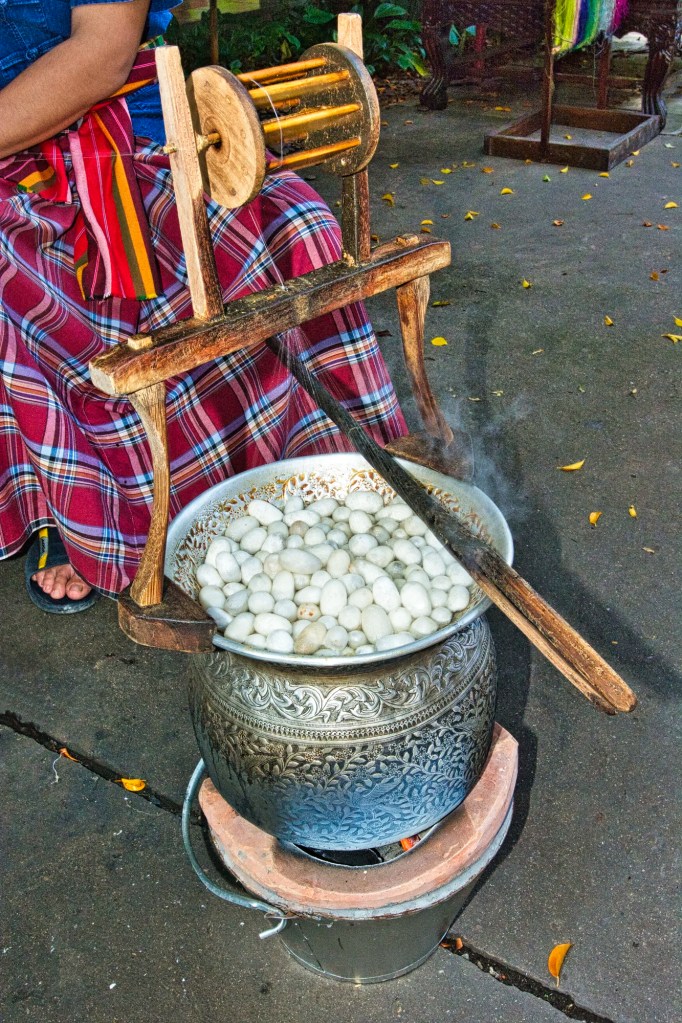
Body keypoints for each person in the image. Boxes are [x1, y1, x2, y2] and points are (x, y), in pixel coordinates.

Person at [0, 0, 406, 613]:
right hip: (14, 160)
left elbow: (102, 55)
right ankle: (64, 510)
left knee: (294, 225)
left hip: (123, 137)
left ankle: (294, 489)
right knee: (13, 258)